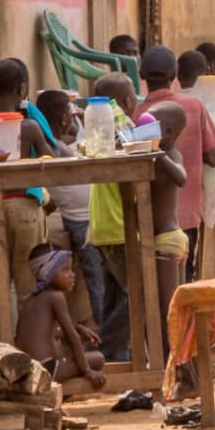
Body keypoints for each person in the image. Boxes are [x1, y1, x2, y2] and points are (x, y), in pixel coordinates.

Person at [140, 44, 215, 271]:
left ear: (142, 76)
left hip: (150, 219)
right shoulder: (194, 107)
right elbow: (213, 157)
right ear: (174, 76)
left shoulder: (138, 114)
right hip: (187, 216)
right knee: (186, 276)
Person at [0, 59, 57, 309]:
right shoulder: (29, 126)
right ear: (22, 90)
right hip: (25, 208)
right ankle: (30, 342)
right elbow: (50, 159)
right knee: (29, 284)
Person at [84, 72, 139, 361]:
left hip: (102, 224)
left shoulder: (96, 126)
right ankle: (100, 350)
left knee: (114, 296)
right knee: (138, 294)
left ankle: (109, 358)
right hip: (119, 225)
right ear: (129, 101)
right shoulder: (123, 126)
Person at [142, 101, 193, 395]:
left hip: (168, 242)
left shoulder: (170, 154)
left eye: (152, 126)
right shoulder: (153, 156)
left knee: (170, 314)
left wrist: (157, 152)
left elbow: (181, 178)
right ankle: (180, 374)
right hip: (166, 242)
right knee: (171, 312)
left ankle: (188, 378)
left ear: (168, 132)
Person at [34, 90, 96, 330]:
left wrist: (71, 121)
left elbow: (70, 138)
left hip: (84, 219)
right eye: (69, 115)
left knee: (97, 281)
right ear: (63, 119)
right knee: (96, 283)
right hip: (82, 221)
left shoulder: (54, 142)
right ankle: (101, 331)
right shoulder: (51, 146)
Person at [13, 247, 105, 388]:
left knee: (71, 356)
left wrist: (79, 328)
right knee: (98, 358)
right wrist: (87, 371)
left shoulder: (32, 299)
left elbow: (46, 334)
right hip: (46, 369)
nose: (72, 274)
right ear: (48, 273)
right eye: (65, 270)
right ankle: (65, 391)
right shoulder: (55, 297)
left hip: (29, 368)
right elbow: (71, 336)